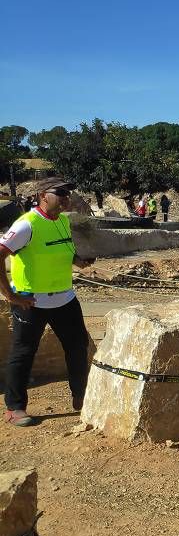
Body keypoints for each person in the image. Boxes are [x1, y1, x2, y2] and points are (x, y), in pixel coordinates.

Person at [0, 178, 93, 426]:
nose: (66, 197)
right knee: (23, 353)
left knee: (77, 348)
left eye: (68, 193)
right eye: (60, 193)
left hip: (65, 298)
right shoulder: (26, 225)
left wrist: (78, 261)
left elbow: (61, 248)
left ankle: (81, 396)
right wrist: (10, 295)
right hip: (31, 302)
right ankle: (15, 407)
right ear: (43, 195)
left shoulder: (62, 222)